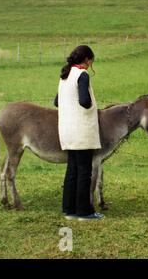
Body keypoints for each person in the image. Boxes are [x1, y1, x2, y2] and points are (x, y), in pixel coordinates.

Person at [54, 45, 104, 221]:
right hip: (82, 131)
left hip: (67, 130)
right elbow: (84, 101)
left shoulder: (64, 76)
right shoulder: (82, 75)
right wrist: (90, 105)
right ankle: (84, 212)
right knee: (84, 171)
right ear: (87, 60)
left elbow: (56, 102)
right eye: (91, 61)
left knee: (72, 170)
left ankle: (69, 209)